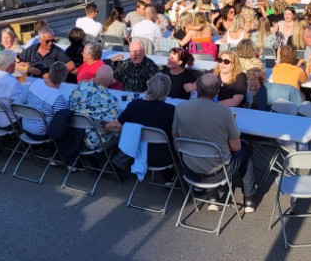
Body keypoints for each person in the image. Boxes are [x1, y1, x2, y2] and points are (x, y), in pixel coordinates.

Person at [173, 73, 257, 212]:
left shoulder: (180, 108)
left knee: (210, 153)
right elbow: (236, 147)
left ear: (196, 89)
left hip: (190, 169)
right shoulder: (224, 113)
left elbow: (176, 136)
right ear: (218, 91)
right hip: (217, 173)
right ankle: (249, 198)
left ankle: (212, 196)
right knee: (245, 149)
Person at [106, 74, 176, 170]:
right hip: (163, 158)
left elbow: (116, 125)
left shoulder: (135, 105)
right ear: (167, 91)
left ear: (149, 87)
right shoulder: (171, 110)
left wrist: (103, 126)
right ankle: (169, 178)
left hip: (134, 153)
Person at [68, 65, 120, 150]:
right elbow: (113, 126)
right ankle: (108, 160)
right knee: (122, 130)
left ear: (95, 75)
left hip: (72, 134)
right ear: (111, 81)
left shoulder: (80, 86)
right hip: (92, 141)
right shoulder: (111, 101)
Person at [15, 62, 69, 139]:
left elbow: (18, 102)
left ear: (49, 74)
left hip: (25, 127)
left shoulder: (35, 83)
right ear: (64, 78)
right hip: (41, 133)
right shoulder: (58, 97)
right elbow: (59, 122)